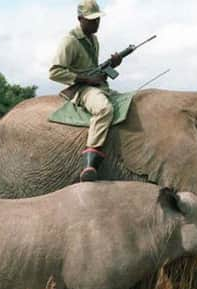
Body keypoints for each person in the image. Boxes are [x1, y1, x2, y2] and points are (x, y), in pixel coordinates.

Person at [49, 0, 122, 182]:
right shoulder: (70, 42)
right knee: (104, 109)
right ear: (80, 19)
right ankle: (90, 160)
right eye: (91, 19)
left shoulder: (94, 40)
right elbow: (55, 72)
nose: (96, 23)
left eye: (97, 19)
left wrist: (111, 64)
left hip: (96, 85)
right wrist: (87, 80)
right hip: (83, 89)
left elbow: (91, 67)